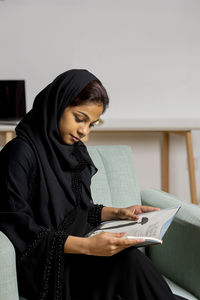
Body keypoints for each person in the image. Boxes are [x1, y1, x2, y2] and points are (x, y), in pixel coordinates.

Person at [0, 69, 187, 300]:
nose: (84, 131)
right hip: (47, 269)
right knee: (126, 261)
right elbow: (18, 228)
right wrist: (88, 247)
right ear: (57, 105)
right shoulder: (19, 153)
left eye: (92, 124)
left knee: (128, 259)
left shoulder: (72, 151)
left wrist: (117, 212)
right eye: (79, 118)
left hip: (79, 254)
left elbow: (76, 210)